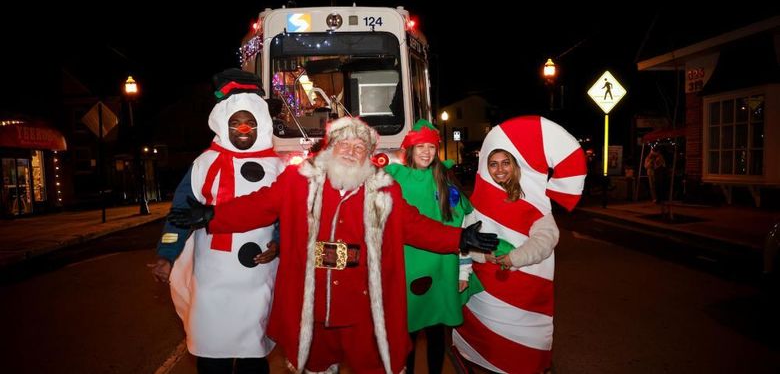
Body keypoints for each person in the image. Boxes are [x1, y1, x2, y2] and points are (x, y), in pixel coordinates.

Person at [167, 116, 499, 374]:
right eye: (345, 145)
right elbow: (259, 205)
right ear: (330, 148)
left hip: (364, 305)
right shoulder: (299, 182)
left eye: (360, 148)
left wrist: (459, 238)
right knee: (316, 363)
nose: (352, 151)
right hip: (313, 303)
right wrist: (212, 215)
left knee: (374, 363)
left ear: (369, 156)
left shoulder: (383, 190)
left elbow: (414, 226)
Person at [148, 69, 284, 374]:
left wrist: (279, 243)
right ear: (224, 125)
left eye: (249, 122)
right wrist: (166, 256)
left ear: (260, 124)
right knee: (212, 351)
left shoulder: (278, 166)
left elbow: (286, 214)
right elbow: (180, 215)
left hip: (258, 278)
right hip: (213, 277)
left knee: (253, 353)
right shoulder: (204, 163)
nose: (243, 129)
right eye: (235, 123)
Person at [453, 116, 586, 374]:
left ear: (515, 166)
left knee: (524, 355)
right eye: (493, 164)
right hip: (488, 294)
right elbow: (464, 241)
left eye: (506, 163)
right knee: (489, 353)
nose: (500, 169)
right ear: (485, 167)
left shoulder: (534, 202)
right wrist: (484, 257)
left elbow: (546, 239)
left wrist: (515, 258)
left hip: (525, 292)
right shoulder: (477, 204)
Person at [384, 119, 474, 374]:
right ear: (409, 150)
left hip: (442, 266)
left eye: (431, 147)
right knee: (408, 331)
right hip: (407, 264)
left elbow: (464, 226)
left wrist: (464, 270)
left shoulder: (445, 180)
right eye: (420, 146)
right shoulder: (394, 177)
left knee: (437, 332)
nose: (426, 152)